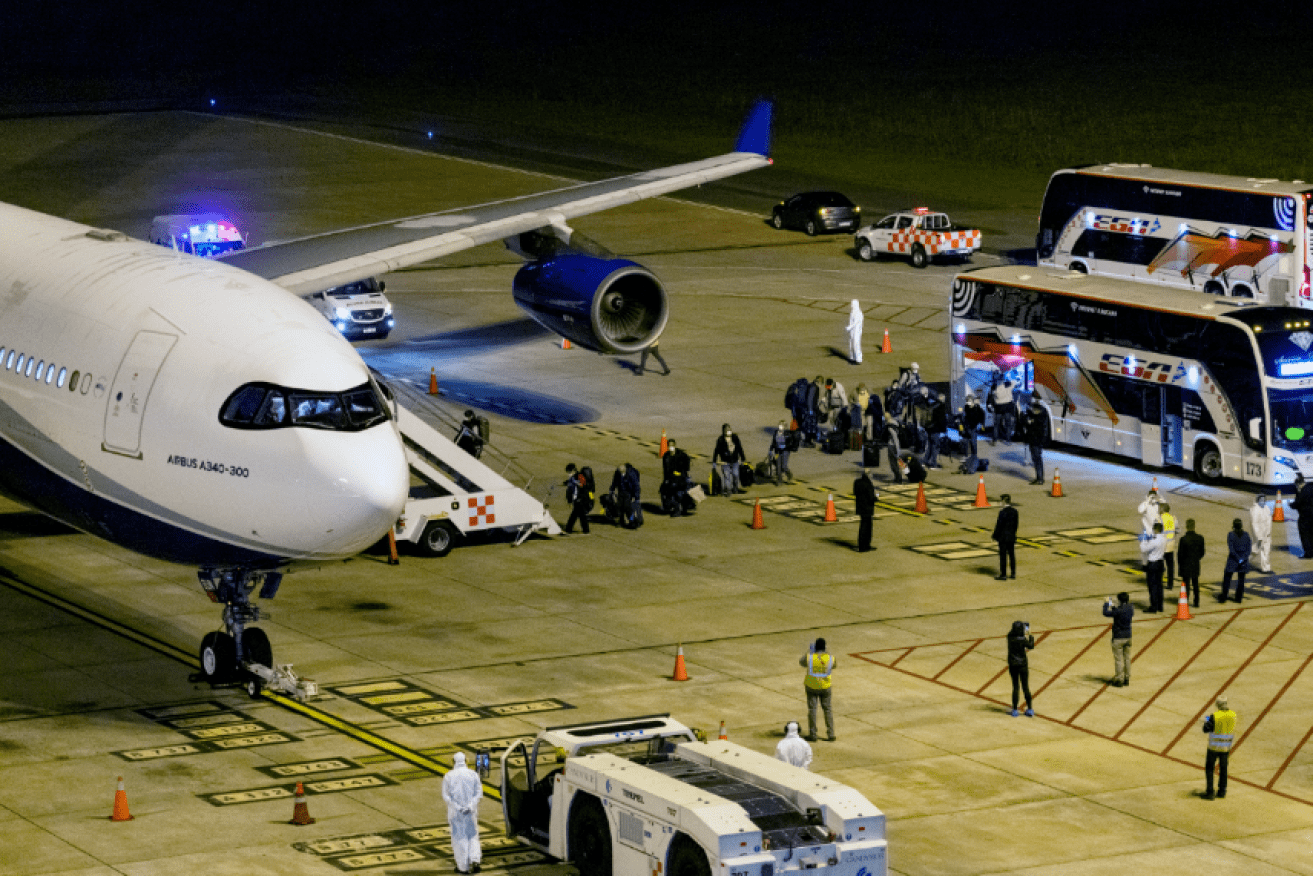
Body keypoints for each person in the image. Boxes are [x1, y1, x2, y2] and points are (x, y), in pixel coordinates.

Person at [443, 751, 484, 873]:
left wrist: (458, 807)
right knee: (473, 836)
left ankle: (463, 867)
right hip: (470, 812)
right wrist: (470, 805)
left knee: (459, 838)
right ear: (466, 761)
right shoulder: (473, 774)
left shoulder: (448, 776)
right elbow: (479, 793)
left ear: (453, 762)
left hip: (456, 813)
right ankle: (475, 860)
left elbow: (446, 796)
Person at [800, 638, 836, 742]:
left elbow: (801, 663)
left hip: (812, 686)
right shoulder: (830, 657)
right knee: (828, 710)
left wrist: (810, 652)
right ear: (825, 647)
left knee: (812, 710)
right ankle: (831, 734)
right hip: (825, 686)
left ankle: (813, 734)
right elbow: (834, 665)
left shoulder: (810, 657)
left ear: (815, 646)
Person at [1201, 696, 1237, 800]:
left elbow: (1205, 729)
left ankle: (1210, 792)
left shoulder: (1215, 716)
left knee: (1209, 768)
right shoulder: (1233, 715)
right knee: (1224, 769)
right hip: (1226, 746)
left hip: (1214, 747)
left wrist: (1207, 719)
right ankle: (1222, 791)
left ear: (1217, 704)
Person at [1102, 592, 1134, 687]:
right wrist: (1113, 605)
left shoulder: (1119, 610)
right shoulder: (1130, 608)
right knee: (1127, 658)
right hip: (1128, 636)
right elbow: (1118, 610)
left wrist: (1107, 603)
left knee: (1118, 659)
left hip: (1118, 637)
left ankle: (1119, 679)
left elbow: (1106, 613)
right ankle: (1127, 678)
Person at [1006, 620, 1036, 717]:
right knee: (1025, 687)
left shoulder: (1010, 637)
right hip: (1022, 665)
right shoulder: (1022, 639)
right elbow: (1031, 646)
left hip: (1013, 665)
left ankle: (1015, 710)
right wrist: (1030, 635)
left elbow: (1012, 632)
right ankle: (1030, 709)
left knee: (1015, 687)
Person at [1221, 518, 1252, 602]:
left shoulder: (1231, 535)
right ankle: (1238, 598)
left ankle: (1224, 596)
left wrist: (1238, 559)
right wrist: (1243, 559)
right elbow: (1249, 549)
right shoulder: (1246, 535)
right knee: (1241, 580)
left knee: (1227, 577)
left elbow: (1231, 549)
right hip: (1243, 560)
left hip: (1233, 559)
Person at [1178, 519, 1206, 608]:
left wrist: (1180, 564)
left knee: (1186, 584)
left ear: (1186, 526)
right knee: (1195, 584)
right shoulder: (1200, 538)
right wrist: (1197, 558)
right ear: (1194, 526)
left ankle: (1185, 600)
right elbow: (1202, 552)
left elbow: (1180, 554)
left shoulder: (1183, 539)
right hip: (1195, 563)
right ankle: (1196, 601)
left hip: (1185, 564)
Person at [712, 424, 746, 496]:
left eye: (729, 429)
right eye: (726, 430)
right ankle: (728, 490)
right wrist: (714, 462)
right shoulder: (720, 440)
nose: (728, 431)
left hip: (735, 461)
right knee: (727, 476)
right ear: (723, 431)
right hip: (725, 462)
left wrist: (743, 458)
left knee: (735, 474)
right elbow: (716, 451)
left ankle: (735, 488)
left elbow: (740, 448)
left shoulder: (735, 438)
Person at [661, 440, 693, 517]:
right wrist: (666, 479)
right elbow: (665, 469)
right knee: (669, 493)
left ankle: (683, 509)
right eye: (669, 446)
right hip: (671, 479)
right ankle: (675, 509)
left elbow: (687, 462)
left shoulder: (681, 454)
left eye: (672, 445)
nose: (670, 447)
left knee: (680, 494)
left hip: (681, 478)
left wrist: (681, 472)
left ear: (675, 445)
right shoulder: (666, 456)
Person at [1140, 521, 1167, 612]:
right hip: (1160, 563)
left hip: (1153, 564)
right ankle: (1160, 606)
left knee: (1152, 586)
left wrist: (1144, 540)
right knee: (1159, 585)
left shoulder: (1155, 540)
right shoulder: (1164, 539)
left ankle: (1153, 606)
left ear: (1155, 529)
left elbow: (1143, 549)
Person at [1022, 399, 1048, 485]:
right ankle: (1040, 478)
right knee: (1037, 458)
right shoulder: (1042, 414)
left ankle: (1039, 478)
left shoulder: (1035, 417)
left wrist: (1028, 419)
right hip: (1038, 439)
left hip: (1034, 439)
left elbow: (1028, 424)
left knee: (1037, 458)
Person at [992, 494, 1018, 580]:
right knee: (1012, 555)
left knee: (1003, 556)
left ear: (1004, 501)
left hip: (1003, 537)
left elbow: (999, 525)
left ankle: (1003, 574)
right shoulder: (1015, 511)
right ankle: (1013, 573)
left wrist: (995, 535)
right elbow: (1015, 525)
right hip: (1011, 537)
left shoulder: (1002, 512)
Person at [563, 464, 593, 534]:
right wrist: (570, 500)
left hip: (580, 499)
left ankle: (569, 529)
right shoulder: (573, 478)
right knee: (581, 515)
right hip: (577, 499)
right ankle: (585, 530)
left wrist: (580, 498)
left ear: (573, 470)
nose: (568, 474)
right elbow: (569, 490)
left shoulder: (580, 477)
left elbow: (583, 488)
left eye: (569, 472)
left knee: (575, 515)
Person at [854, 469, 877, 553]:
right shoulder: (868, 484)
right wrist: (876, 498)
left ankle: (861, 545)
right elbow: (871, 497)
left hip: (860, 507)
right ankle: (865, 545)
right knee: (867, 528)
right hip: (868, 508)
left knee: (862, 526)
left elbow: (855, 492)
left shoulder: (857, 482)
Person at [1250, 494, 1273, 573]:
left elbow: (1269, 521)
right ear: (1258, 501)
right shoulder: (1255, 510)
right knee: (1255, 551)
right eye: (1261, 500)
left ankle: (1266, 568)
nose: (1263, 502)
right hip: (1259, 535)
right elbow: (1254, 523)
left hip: (1266, 534)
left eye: (1264, 500)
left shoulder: (1266, 508)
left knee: (1265, 551)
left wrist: (1268, 532)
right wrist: (1258, 535)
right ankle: (1243, 563)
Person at [924, 392, 947, 468]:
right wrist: (944, 429)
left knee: (929, 446)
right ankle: (933, 464)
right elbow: (941, 419)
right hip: (936, 429)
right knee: (935, 447)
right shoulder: (941, 406)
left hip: (929, 428)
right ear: (942, 399)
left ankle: (925, 462)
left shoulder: (933, 405)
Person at [990, 379, 1016, 444]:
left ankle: (994, 440)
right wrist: (1009, 382)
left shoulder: (995, 388)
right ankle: (1008, 440)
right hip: (1007, 407)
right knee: (1008, 425)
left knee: (996, 425)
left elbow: (992, 396)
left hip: (998, 408)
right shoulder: (1008, 385)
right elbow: (1015, 382)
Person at [1159, 502, 1178, 591]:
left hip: (1162, 546)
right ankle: (1170, 584)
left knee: (1160, 565)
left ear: (1162, 509)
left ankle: (1160, 581)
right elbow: (1177, 530)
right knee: (1170, 566)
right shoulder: (1173, 518)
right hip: (1170, 545)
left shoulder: (1160, 518)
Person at [962, 393, 985, 460]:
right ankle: (966, 456)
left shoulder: (977, 408)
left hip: (974, 427)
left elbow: (982, 415)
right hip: (967, 426)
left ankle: (974, 456)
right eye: (967, 401)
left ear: (972, 401)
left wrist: (981, 424)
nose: (968, 402)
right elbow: (964, 415)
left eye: (969, 401)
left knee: (973, 442)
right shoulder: (966, 407)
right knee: (965, 442)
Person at [1295, 474, 1313, 558]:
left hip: (1305, 516)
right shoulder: (1310, 488)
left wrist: (1291, 505)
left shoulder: (1302, 491)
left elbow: (1297, 503)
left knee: (1305, 535)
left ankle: (1308, 553)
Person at [882, 415, 903, 483]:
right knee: (898, 462)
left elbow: (895, 439)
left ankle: (898, 478)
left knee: (893, 463)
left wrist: (897, 450)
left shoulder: (890, 427)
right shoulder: (895, 425)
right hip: (895, 446)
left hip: (892, 446)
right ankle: (899, 477)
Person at [845, 299, 864, 364]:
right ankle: (852, 357)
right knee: (851, 344)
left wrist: (850, 327)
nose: (851, 305)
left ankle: (858, 359)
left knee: (856, 344)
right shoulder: (853, 312)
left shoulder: (858, 313)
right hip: (853, 331)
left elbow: (856, 322)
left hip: (857, 331)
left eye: (852, 304)